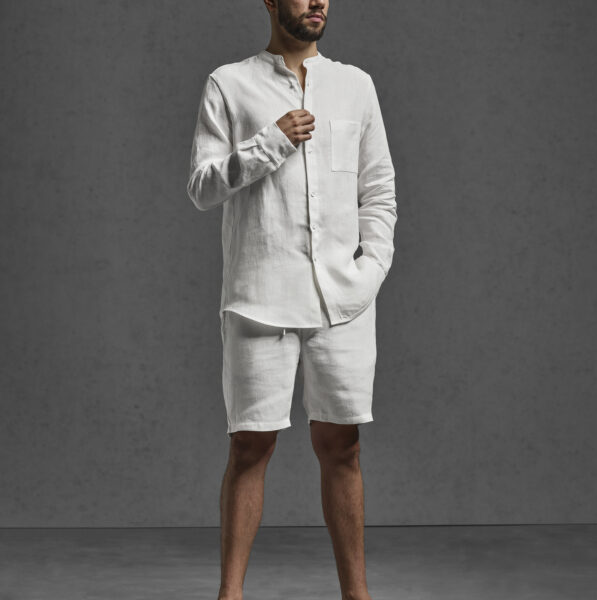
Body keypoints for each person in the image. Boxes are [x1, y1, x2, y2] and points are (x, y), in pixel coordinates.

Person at [186, 1, 396, 598]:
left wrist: (372, 268)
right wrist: (269, 142)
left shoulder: (355, 86)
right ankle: (230, 596)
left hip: (343, 301)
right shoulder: (229, 84)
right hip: (260, 297)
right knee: (250, 446)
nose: (318, 1)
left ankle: (357, 596)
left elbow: (379, 189)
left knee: (343, 447)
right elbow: (202, 187)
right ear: (271, 0)